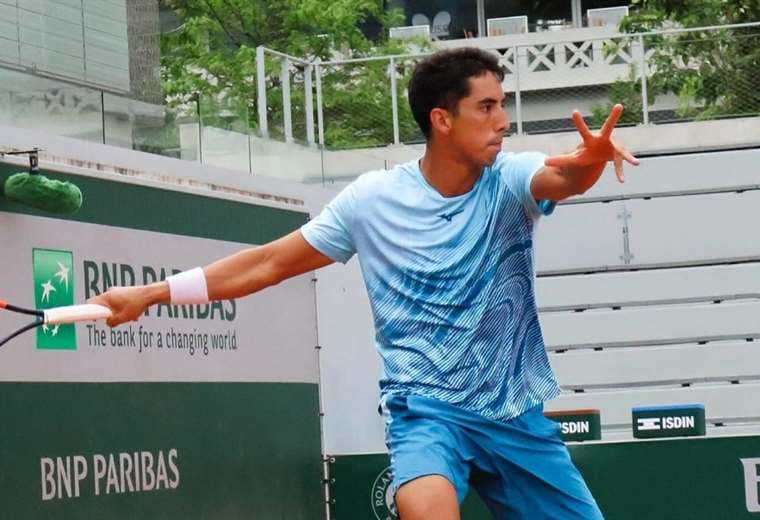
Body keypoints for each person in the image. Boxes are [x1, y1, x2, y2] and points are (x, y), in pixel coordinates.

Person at [92, 47, 639, 519]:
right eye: (487, 107)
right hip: (428, 410)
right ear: (442, 120)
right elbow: (266, 264)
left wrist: (589, 163)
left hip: (513, 411)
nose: (502, 122)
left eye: (503, 106)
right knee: (425, 508)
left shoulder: (511, 177)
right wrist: (148, 294)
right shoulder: (371, 200)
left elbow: (562, 176)